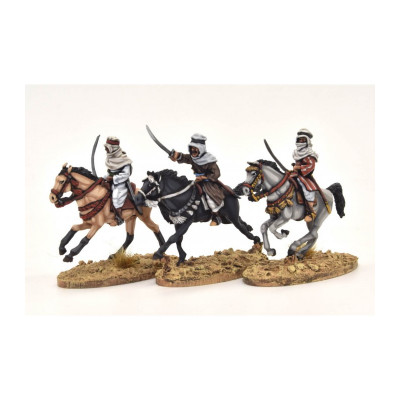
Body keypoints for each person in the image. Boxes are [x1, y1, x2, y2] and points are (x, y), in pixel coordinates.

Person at [171, 133, 225, 226]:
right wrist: (176, 155)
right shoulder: (193, 158)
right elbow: (184, 157)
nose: (193, 150)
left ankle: (216, 216)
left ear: (201, 148)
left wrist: (205, 177)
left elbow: (216, 173)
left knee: (209, 197)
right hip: (197, 181)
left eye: (195, 148)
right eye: (192, 148)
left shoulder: (209, 160)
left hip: (209, 183)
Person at [290, 129, 319, 222]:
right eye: (299, 140)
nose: (301, 141)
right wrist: (295, 168)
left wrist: (299, 168)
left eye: (303, 140)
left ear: (307, 141)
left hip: (305, 176)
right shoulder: (296, 152)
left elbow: (311, 166)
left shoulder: (310, 153)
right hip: (295, 174)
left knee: (306, 188)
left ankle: (310, 211)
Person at [104, 136, 133, 225]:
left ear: (112, 148)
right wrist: (103, 178)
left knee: (116, 197)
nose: (105, 150)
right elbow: (110, 172)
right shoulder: (110, 159)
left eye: (107, 148)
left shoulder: (125, 160)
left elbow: (126, 174)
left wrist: (113, 178)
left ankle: (119, 217)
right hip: (110, 182)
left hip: (121, 184)